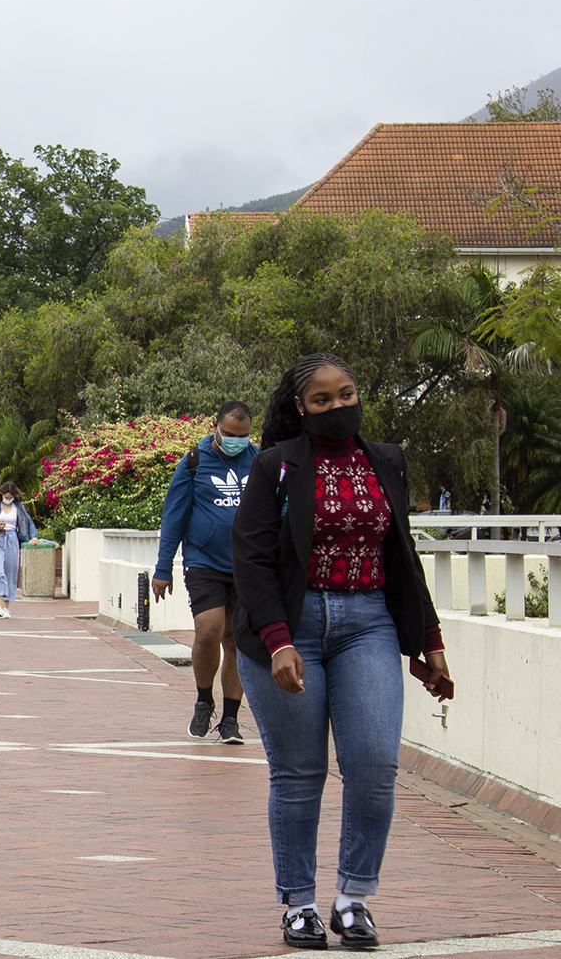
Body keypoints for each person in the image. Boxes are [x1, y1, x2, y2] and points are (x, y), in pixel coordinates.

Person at [233, 353, 448, 950]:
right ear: (300, 407)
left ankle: (353, 898)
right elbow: (249, 559)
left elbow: (403, 557)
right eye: (322, 400)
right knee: (300, 774)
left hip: (368, 624)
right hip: (289, 628)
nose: (337, 407)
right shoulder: (276, 465)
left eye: (346, 394)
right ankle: (298, 904)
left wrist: (428, 640)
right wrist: (277, 640)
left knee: (375, 766)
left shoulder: (386, 460)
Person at [153, 401, 259, 745]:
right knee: (210, 631)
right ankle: (203, 699)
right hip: (204, 563)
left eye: (242, 436)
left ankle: (230, 718)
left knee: (237, 641)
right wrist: (163, 567)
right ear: (216, 427)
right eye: (229, 434)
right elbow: (175, 517)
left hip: (247, 567)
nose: (235, 441)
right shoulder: (194, 463)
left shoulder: (259, 461)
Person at [0, 482, 38, 618]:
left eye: (10, 496)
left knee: (10, 574)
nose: (8, 499)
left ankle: (6, 608)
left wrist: (34, 536)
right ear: (1, 494)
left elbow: (29, 522)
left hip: (12, 539)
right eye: (6, 496)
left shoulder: (19, 506)